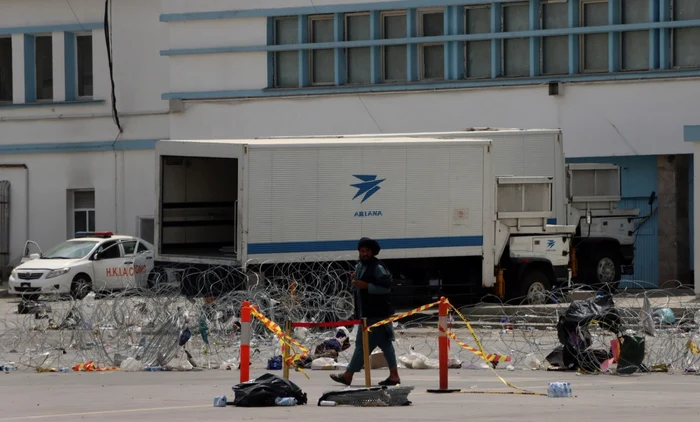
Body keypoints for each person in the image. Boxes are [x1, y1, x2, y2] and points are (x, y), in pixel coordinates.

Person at [330, 237, 401, 386]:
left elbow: (386, 287)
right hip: (365, 314)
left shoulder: (377, 267)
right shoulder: (360, 267)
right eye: (362, 251)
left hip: (376, 314)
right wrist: (356, 283)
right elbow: (358, 289)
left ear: (372, 252)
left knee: (363, 346)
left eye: (367, 251)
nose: (364, 254)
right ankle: (394, 376)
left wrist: (366, 286)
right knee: (385, 344)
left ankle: (348, 375)